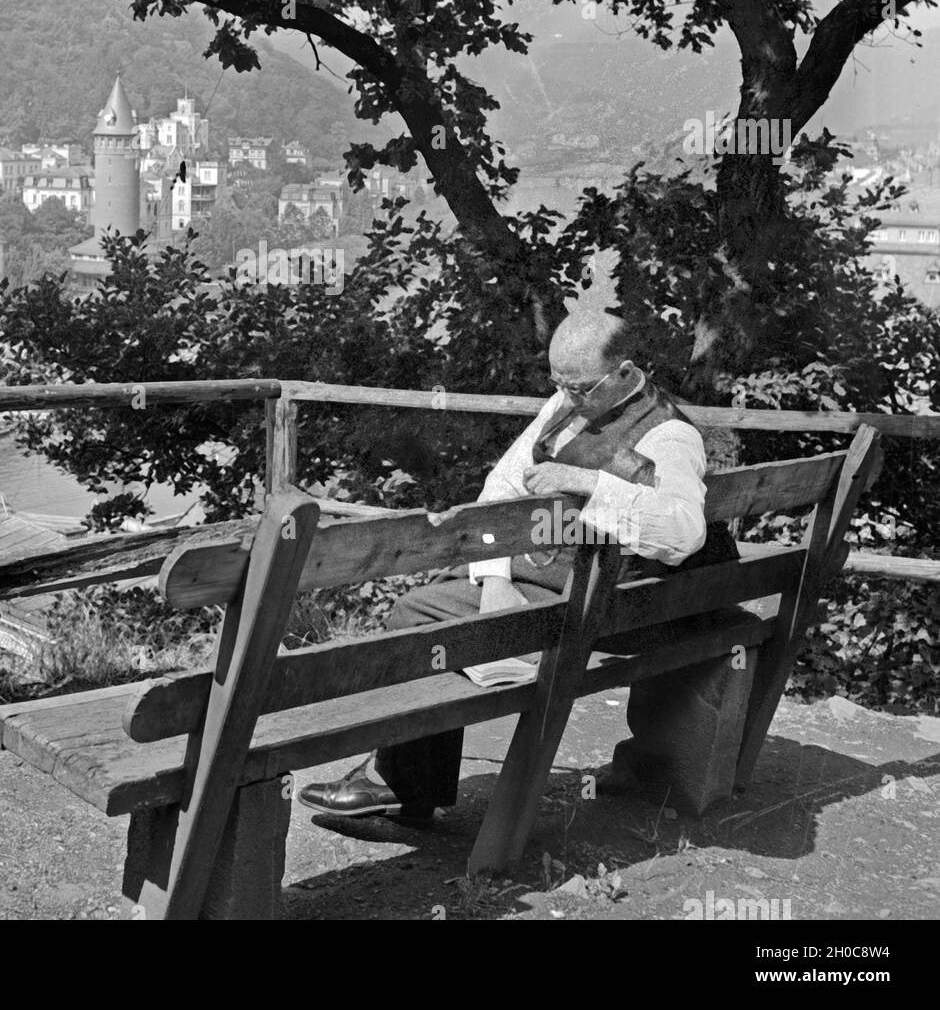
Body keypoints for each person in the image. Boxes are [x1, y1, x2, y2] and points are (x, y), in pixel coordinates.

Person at [297, 309, 737, 821]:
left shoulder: (668, 436)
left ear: (625, 372)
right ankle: (404, 779)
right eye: (559, 385)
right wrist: (494, 579)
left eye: (581, 388)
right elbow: (501, 489)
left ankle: (400, 785)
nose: (569, 399)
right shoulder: (566, 404)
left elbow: (684, 531)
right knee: (444, 596)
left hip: (602, 608)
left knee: (416, 617)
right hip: (562, 586)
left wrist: (591, 484)